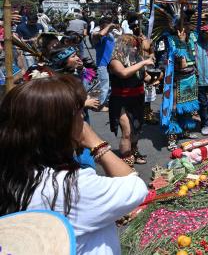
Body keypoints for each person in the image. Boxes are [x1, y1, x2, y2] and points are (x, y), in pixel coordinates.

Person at [0, 74, 148, 255]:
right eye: (78, 113)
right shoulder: (69, 185)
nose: (83, 119)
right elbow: (135, 188)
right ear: (59, 127)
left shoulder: (13, 172)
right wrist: (96, 144)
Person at [108, 35, 155, 166]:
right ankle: (126, 161)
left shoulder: (137, 58)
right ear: (122, 46)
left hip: (138, 98)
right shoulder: (115, 60)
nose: (135, 48)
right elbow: (123, 73)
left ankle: (134, 151)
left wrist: (154, 77)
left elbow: (145, 77)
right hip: (121, 100)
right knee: (127, 132)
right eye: (132, 45)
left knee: (137, 129)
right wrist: (143, 62)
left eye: (136, 45)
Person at [162, 25, 199, 150]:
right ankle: (172, 137)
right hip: (177, 79)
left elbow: (195, 57)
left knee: (187, 108)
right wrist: (182, 42)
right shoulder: (171, 39)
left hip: (191, 77)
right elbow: (181, 63)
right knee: (174, 108)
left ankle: (185, 131)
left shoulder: (193, 36)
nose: (185, 28)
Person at [91, 17, 119, 112]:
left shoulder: (111, 35)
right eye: (108, 26)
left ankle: (105, 101)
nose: (110, 28)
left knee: (111, 85)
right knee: (104, 85)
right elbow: (101, 33)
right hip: (102, 64)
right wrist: (110, 25)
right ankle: (100, 106)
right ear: (102, 26)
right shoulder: (96, 34)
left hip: (111, 63)